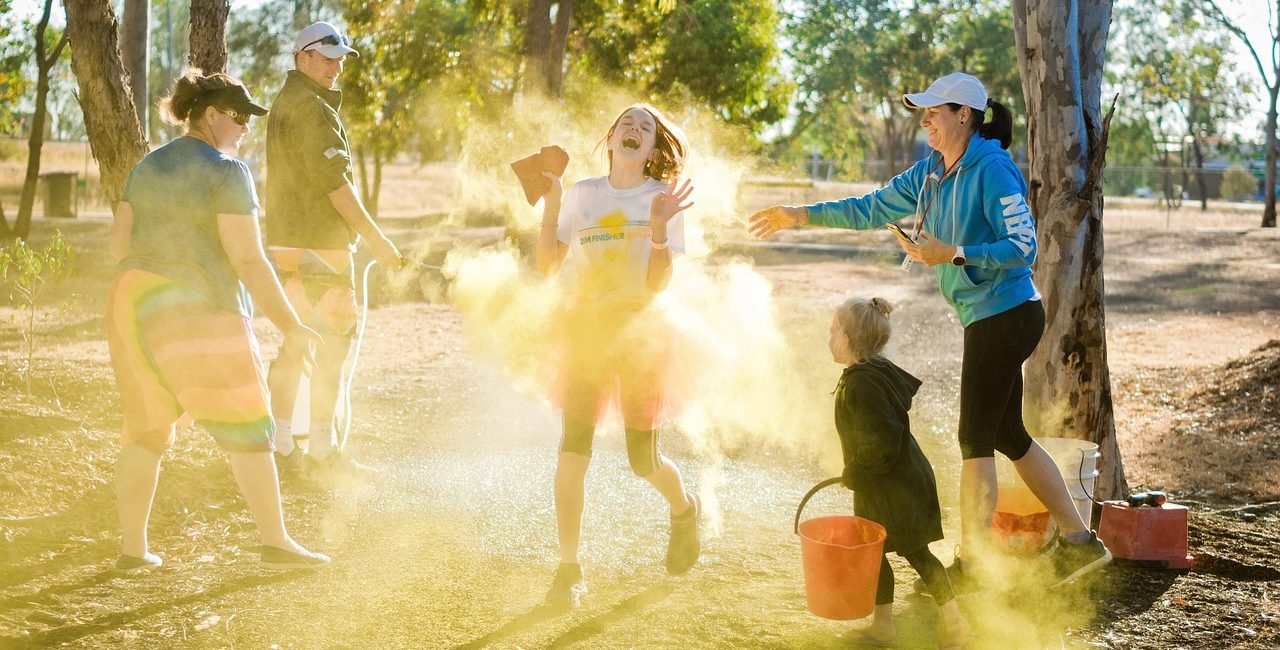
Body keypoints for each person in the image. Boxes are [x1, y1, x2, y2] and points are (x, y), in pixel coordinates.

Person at [747, 72, 1111, 588]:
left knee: (974, 440)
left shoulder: (993, 169)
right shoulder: (930, 174)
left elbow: (1023, 248)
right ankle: (1080, 542)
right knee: (1008, 434)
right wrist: (798, 215)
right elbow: (869, 207)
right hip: (987, 318)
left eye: (933, 111)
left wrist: (954, 253)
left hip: (1006, 316)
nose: (924, 119)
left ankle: (973, 566)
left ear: (965, 115)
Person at [106, 68, 329, 571]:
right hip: (198, 306)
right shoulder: (227, 172)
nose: (246, 127)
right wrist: (292, 326)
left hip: (132, 303)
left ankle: (133, 551)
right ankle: (277, 544)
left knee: (145, 427)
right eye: (238, 117)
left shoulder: (146, 167)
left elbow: (118, 245)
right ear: (209, 115)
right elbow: (249, 260)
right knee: (248, 422)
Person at [535, 103, 701, 608]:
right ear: (610, 139)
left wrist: (656, 229)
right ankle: (569, 568)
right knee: (572, 450)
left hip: (640, 338)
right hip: (586, 334)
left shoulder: (662, 199)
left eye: (645, 127)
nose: (635, 129)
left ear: (652, 149)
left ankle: (683, 509)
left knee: (641, 459)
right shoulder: (583, 194)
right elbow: (546, 266)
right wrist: (552, 201)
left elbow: (656, 286)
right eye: (626, 123)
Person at [264, 22, 404, 476]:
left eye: (340, 58)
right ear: (302, 57)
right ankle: (320, 451)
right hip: (320, 246)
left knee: (296, 341)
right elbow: (335, 185)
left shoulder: (290, 101)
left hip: (289, 242)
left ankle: (284, 446)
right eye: (327, 59)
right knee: (332, 346)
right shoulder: (310, 107)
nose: (336, 67)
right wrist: (377, 240)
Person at [827, 297, 966, 648]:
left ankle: (958, 628)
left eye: (832, 332)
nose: (827, 339)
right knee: (875, 554)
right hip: (885, 486)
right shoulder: (866, 375)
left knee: (917, 554)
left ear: (849, 339)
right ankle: (883, 626)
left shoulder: (863, 383)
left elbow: (883, 444)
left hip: (896, 487)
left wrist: (855, 472)